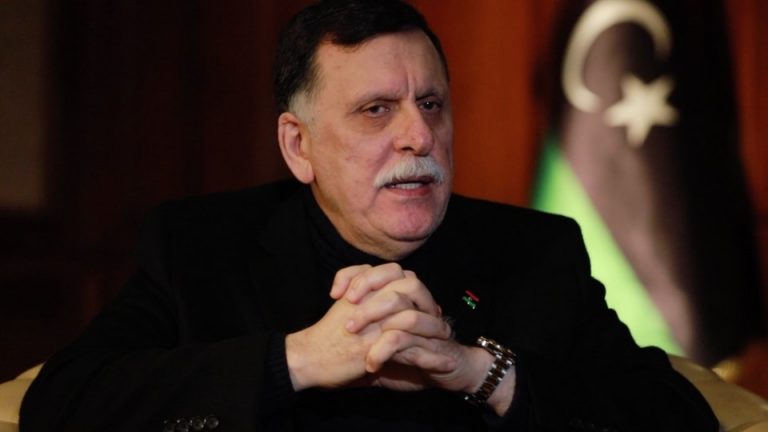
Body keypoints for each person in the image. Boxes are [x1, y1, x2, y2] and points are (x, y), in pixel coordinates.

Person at [20, 0, 718, 430]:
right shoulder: (201, 246)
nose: (419, 136)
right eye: (376, 110)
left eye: (432, 105)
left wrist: (478, 371)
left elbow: (674, 414)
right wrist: (297, 361)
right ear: (299, 146)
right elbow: (63, 403)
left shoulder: (535, 250)